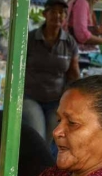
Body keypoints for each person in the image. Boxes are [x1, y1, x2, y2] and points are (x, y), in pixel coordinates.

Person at [23, 0, 81, 152]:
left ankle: (45, 172)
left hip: (56, 101)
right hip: (30, 98)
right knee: (38, 135)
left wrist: (77, 97)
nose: (58, 15)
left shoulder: (69, 42)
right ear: (45, 14)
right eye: (53, 11)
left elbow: (73, 74)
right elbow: (18, 67)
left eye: (61, 12)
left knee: (52, 138)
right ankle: (31, 172)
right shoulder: (30, 39)